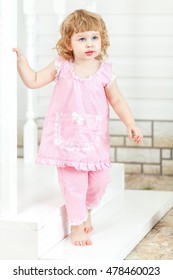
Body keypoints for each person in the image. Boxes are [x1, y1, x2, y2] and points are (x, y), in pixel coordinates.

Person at [13, 9, 143, 246]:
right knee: (74, 183)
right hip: (67, 140)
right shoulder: (61, 66)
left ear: (102, 39)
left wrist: (130, 123)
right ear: (68, 43)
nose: (89, 44)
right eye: (81, 39)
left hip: (93, 140)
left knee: (100, 180)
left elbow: (117, 100)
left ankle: (87, 209)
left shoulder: (105, 71)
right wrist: (22, 62)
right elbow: (33, 81)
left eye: (94, 37)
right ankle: (76, 223)